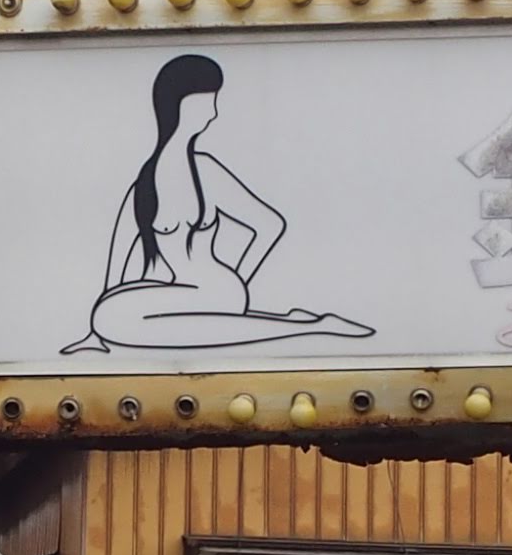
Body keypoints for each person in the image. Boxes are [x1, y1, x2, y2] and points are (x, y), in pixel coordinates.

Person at [66, 52, 370, 353]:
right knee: (109, 311)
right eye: (206, 100)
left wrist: (238, 281)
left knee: (114, 319)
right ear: (179, 105)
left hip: (218, 290)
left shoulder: (205, 171)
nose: (212, 112)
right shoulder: (145, 182)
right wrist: (98, 320)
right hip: (183, 292)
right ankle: (288, 321)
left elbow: (269, 225)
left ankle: (315, 326)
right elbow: (120, 253)